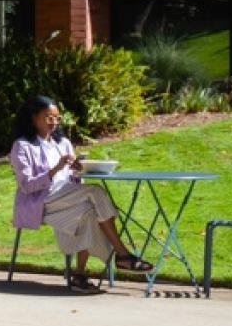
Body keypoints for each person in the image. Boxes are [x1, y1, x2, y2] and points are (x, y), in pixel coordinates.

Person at [10, 95, 153, 292]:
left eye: (57, 118)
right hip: (43, 202)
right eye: (48, 117)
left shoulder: (63, 143)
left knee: (89, 210)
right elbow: (26, 186)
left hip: (66, 197)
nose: (54, 122)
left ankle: (79, 275)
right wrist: (55, 169)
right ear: (33, 117)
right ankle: (122, 254)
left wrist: (78, 170)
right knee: (95, 192)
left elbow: (73, 179)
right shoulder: (22, 146)